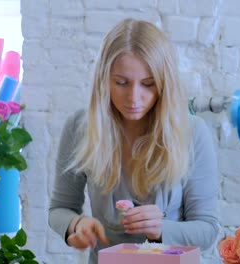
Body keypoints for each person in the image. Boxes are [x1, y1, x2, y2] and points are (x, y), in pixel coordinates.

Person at [48, 18, 220, 263]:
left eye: (148, 84)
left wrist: (162, 229)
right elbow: (59, 209)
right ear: (103, 79)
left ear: (164, 84)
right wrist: (76, 224)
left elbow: (208, 230)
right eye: (121, 83)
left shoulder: (192, 132)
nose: (133, 97)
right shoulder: (79, 127)